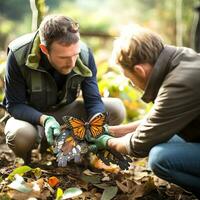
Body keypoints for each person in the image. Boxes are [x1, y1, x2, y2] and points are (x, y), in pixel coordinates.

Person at [87, 25, 200, 198]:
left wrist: (106, 141)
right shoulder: (182, 60)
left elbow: (139, 144)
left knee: (160, 158)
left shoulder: (179, 84)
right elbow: (159, 121)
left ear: (140, 70)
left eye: (130, 79)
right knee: (165, 140)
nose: (132, 84)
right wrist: (112, 131)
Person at [3, 14, 126, 164]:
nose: (72, 63)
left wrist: (96, 127)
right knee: (20, 135)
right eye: (63, 58)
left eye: (75, 55)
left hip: (66, 112)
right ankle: (28, 160)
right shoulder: (18, 54)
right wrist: (45, 120)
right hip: (31, 118)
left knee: (116, 108)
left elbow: (93, 100)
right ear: (44, 49)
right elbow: (15, 105)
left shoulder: (85, 54)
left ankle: (81, 152)